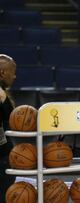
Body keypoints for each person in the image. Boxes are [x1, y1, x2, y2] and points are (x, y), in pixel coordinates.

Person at [0, 54, 17, 202]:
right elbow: (13, 119)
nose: (15, 76)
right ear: (3, 72)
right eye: (13, 71)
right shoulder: (0, 94)